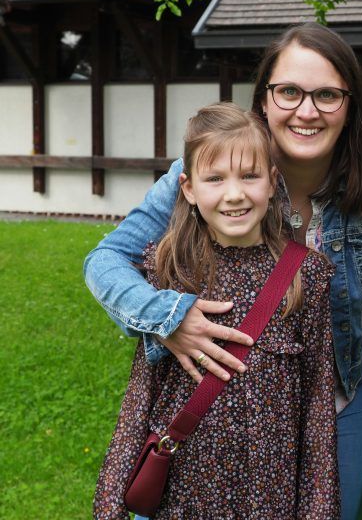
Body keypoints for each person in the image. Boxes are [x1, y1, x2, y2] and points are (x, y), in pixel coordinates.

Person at [84, 23, 362, 520]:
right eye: (289, 92)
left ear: (350, 106)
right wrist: (170, 316)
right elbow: (105, 263)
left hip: (336, 414)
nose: (307, 111)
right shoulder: (202, 175)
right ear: (264, 99)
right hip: (209, 431)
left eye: (327, 94)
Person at [93, 102, 339, 518]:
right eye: (215, 179)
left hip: (269, 496)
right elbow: (142, 393)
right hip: (184, 494)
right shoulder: (167, 269)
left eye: (249, 176)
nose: (235, 193)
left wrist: (317, 510)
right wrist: (111, 500)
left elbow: (316, 406)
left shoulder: (307, 274)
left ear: (272, 182)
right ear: (188, 188)